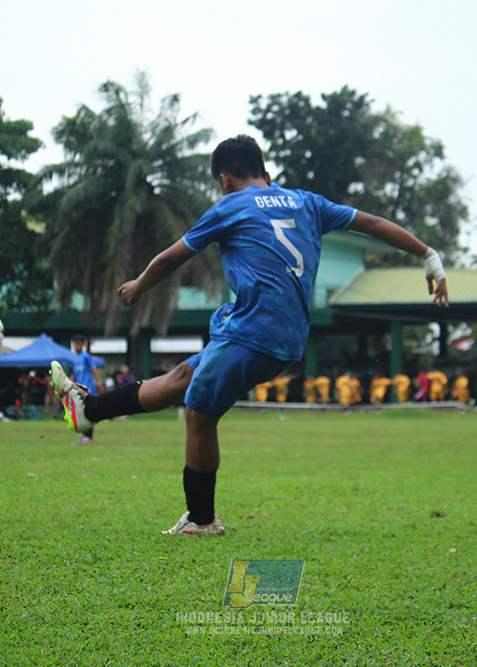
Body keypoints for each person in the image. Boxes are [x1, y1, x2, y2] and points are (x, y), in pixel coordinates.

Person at [51, 135, 448, 536]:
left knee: (200, 412)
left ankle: (202, 520)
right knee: (181, 381)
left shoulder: (230, 206)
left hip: (253, 330)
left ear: (223, 180)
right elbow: (373, 223)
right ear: (267, 174)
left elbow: (173, 256)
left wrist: (138, 285)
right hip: (284, 335)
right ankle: (90, 410)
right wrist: (428, 254)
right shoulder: (308, 202)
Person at [68, 335, 103, 445]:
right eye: (75, 344)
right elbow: (73, 375)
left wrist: (99, 383)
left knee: (87, 413)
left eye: (78, 344)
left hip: (88, 389)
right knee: (82, 413)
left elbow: (94, 370)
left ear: (83, 344)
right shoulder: (76, 359)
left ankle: (88, 437)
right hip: (79, 391)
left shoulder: (86, 357)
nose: (76, 346)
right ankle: (86, 437)